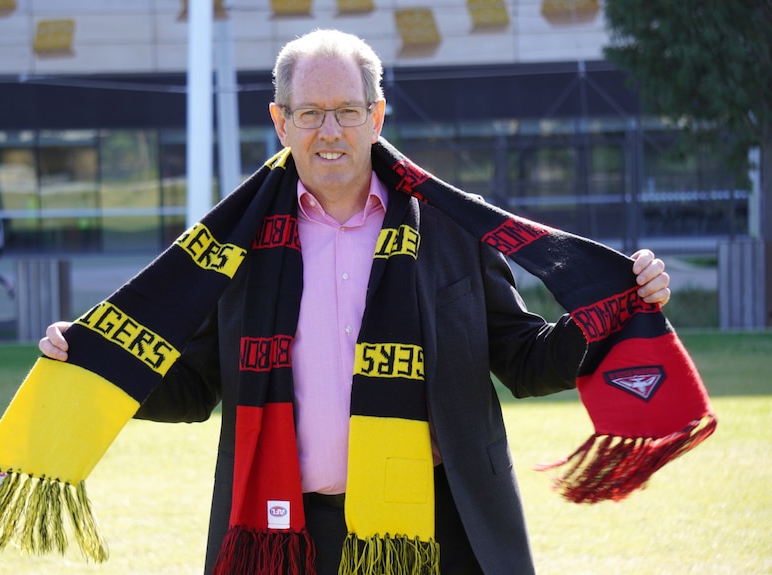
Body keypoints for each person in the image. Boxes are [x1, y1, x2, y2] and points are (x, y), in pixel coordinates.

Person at [40, 29, 671, 575]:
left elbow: (525, 360)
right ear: (280, 121)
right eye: (310, 113)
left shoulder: (450, 230)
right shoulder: (237, 246)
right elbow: (197, 388)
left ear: (377, 115)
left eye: (346, 109)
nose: (330, 131)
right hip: (289, 536)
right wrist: (96, 362)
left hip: (437, 527)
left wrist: (609, 311)